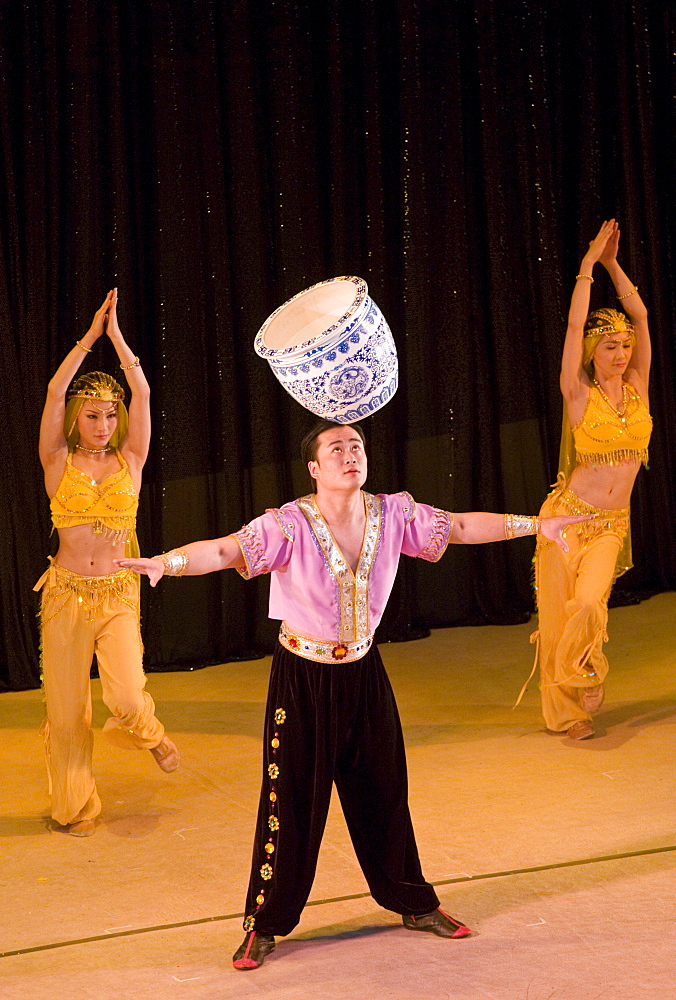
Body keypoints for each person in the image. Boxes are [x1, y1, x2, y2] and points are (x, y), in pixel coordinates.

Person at [117, 420, 587, 968]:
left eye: (357, 446)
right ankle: (263, 924)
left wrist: (537, 524)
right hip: (303, 677)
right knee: (289, 803)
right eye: (336, 448)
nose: (350, 454)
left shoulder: (393, 515)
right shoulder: (288, 525)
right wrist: (167, 564)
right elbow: (223, 552)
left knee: (386, 791)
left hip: (365, 670)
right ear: (314, 468)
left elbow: (457, 526)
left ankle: (412, 901)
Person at [36, 289, 179, 837]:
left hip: (117, 593)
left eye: (109, 414)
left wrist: (116, 338)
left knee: (122, 694)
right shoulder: (57, 459)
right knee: (68, 713)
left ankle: (151, 734)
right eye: (92, 414)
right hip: (65, 596)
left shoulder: (131, 458)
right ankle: (76, 807)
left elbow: (142, 390)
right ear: (77, 419)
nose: (102, 422)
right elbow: (53, 391)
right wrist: (87, 339)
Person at [528, 220, 652, 740]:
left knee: (588, 603)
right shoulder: (577, 393)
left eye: (624, 346)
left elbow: (642, 315)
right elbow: (573, 328)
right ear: (591, 354)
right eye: (610, 347)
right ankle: (570, 713)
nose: (621, 354)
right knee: (558, 616)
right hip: (566, 519)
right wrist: (585, 266)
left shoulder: (640, 384)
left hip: (610, 525)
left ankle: (586, 669)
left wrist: (611, 264)